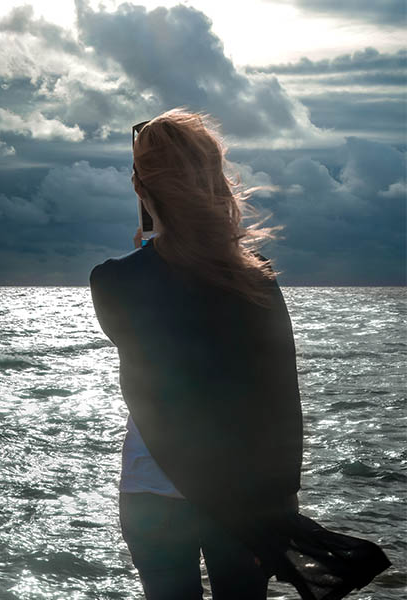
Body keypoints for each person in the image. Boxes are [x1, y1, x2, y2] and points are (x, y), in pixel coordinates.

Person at [89, 109, 390, 600]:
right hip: (247, 496)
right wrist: (283, 503)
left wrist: (148, 247)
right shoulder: (254, 275)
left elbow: (150, 353)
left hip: (154, 491)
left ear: (140, 187)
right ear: (214, 182)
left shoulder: (113, 280)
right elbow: (280, 395)